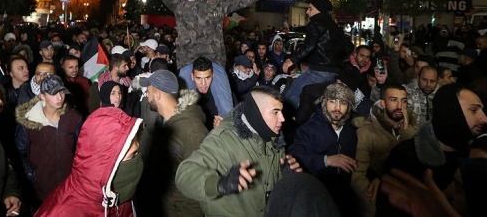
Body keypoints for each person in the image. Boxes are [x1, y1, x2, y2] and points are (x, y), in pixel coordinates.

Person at [137, 0, 293, 119]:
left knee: (228, 110)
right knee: (179, 112)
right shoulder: (180, 2)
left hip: (214, 62)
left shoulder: (218, 2)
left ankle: (226, 142)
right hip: (188, 62)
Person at [175, 86, 302, 217]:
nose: (282, 118)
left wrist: (287, 178)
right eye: (275, 112)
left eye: (281, 112)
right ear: (256, 112)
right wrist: (220, 184)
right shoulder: (224, 140)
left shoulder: (274, 139)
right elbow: (185, 174)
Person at [376, 83, 487, 216]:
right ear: (450, 111)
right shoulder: (405, 155)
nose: (485, 119)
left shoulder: (477, 157)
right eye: (474, 110)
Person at [34, 107, 143, 217]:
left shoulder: (120, 190)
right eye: (132, 155)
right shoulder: (60, 213)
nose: (138, 161)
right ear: (106, 162)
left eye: (137, 153)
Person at [137, 69, 208, 217]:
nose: (147, 95)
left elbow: (201, 181)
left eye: (148, 92)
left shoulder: (192, 129)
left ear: (158, 95)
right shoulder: (164, 124)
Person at [288, 83, 359, 216]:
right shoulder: (309, 129)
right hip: (316, 197)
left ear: (349, 106)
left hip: (344, 198)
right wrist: (326, 160)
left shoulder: (351, 132)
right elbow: (295, 156)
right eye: (332, 101)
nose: (337, 107)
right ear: (324, 103)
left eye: (343, 102)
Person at [351, 83, 419, 217]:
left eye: (403, 101)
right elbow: (357, 176)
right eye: (393, 100)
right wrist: (377, 198)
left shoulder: (413, 131)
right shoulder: (366, 133)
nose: (400, 106)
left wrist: (406, 132)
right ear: (383, 103)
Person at [15, 75, 83, 205]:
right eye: (53, 93)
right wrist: (32, 174)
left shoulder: (73, 118)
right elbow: (18, 152)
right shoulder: (30, 122)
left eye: (61, 92)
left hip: (70, 189)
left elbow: (82, 150)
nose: (60, 97)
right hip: (41, 191)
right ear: (42, 96)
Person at [283, 0, 347, 109]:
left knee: (291, 95)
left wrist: (292, 60)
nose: (307, 12)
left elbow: (309, 45)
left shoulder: (315, 24)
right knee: (316, 100)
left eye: (310, 9)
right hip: (333, 73)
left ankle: (311, 120)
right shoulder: (335, 26)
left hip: (318, 71)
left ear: (319, 10)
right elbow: (348, 47)